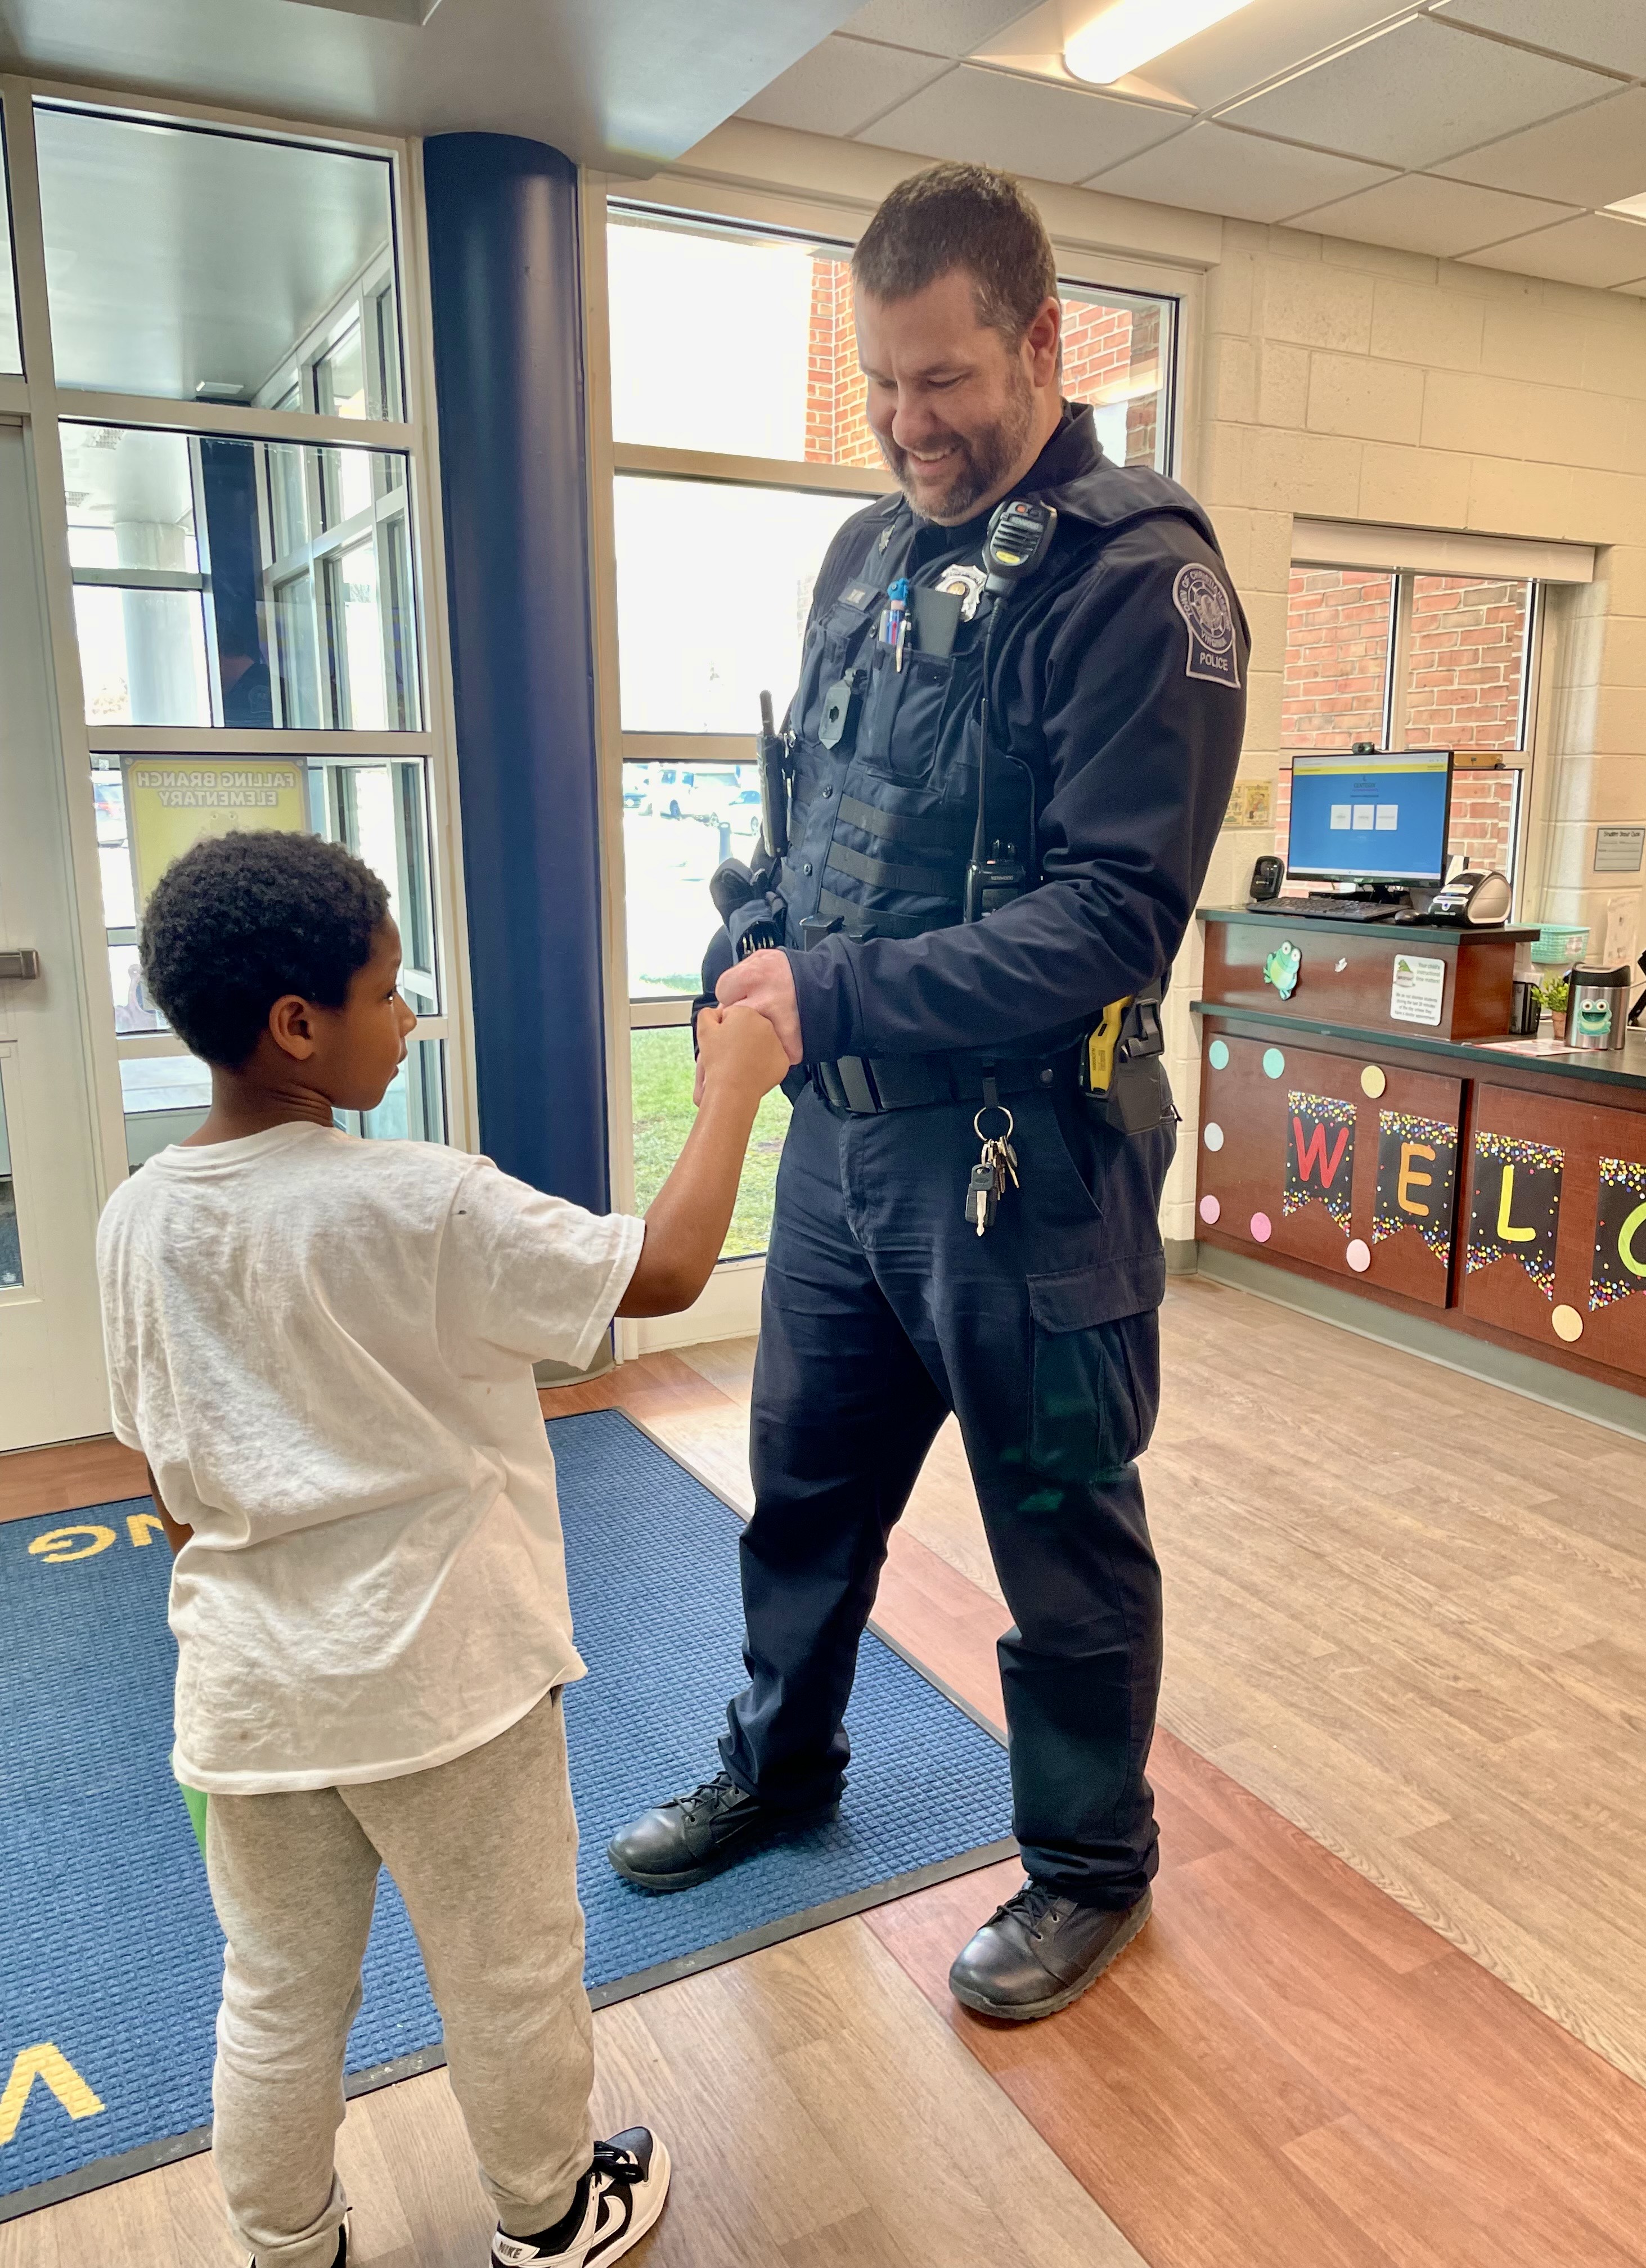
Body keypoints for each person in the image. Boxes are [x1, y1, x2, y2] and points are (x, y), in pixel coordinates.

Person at [608, 163, 1246, 2022]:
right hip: (846, 1152)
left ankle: (1086, 1871)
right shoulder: (865, 556)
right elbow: (808, 817)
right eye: (882, 388)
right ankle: (780, 1766)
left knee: (1057, 1528)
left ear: (1043, 340)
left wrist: (830, 988)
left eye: (943, 381)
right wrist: (750, 934)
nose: (908, 426)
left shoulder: (1140, 582)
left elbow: (1109, 921)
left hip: (1029, 1159)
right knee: (800, 1490)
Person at [96, 829, 789, 2268]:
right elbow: (655, 1275)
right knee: (510, 1974)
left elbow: (168, 1477)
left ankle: (285, 2243)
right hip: (446, 1687)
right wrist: (733, 1087)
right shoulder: (423, 1199)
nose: (407, 1021)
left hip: (246, 1699)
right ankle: (547, 2216)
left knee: (276, 1993)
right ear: (298, 1026)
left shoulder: (134, 1221)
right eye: (389, 992)